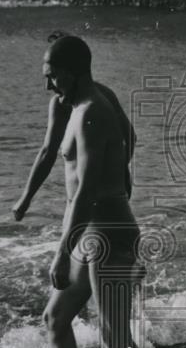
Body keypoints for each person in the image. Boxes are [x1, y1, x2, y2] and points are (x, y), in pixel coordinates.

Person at [14, 35, 161, 348]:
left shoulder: (93, 111)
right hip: (92, 233)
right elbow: (128, 141)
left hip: (107, 234)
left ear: (73, 72)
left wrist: (62, 252)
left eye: (53, 77)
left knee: (115, 334)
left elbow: (86, 192)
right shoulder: (75, 104)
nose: (48, 86)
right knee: (55, 319)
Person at [13, 31, 135, 221]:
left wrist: (121, 173)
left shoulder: (100, 99)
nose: (48, 86)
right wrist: (26, 197)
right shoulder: (61, 104)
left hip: (99, 206)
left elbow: (129, 136)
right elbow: (47, 151)